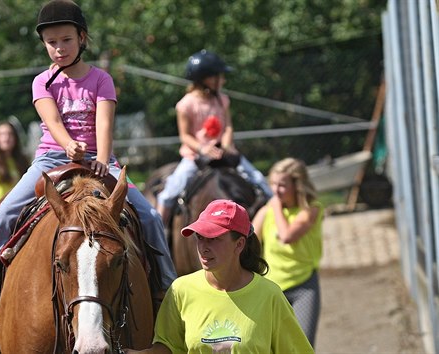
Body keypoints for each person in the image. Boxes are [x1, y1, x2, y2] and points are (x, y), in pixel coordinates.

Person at [0, 0, 176, 330]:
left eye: (66, 40)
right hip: (52, 158)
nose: (59, 48)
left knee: (151, 216)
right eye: (51, 42)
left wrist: (100, 158)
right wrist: (69, 145)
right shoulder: (43, 81)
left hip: (100, 159)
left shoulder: (102, 80)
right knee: (3, 214)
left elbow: (105, 123)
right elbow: (52, 120)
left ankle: (167, 291)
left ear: (82, 38)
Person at [125, 199, 313, 353]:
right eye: (199, 237)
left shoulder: (270, 295)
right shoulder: (180, 290)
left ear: (239, 244)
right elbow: (168, 348)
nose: (203, 248)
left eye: (214, 239)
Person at [155, 50, 271, 225]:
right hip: (196, 156)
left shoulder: (222, 100)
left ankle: (273, 218)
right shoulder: (186, 105)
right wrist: (203, 148)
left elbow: (228, 126)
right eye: (219, 76)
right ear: (204, 78)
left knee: (259, 180)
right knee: (169, 192)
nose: (223, 80)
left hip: (223, 152)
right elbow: (185, 136)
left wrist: (226, 144)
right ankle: (158, 232)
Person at [252, 157, 323, 346]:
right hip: (273, 288)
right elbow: (248, 244)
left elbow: (287, 236)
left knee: (303, 344)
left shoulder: (311, 209)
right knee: (273, 345)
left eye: (282, 185)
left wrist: (274, 207)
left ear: (297, 185)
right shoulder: (265, 212)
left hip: (304, 285)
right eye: (273, 184)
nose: (275, 190)